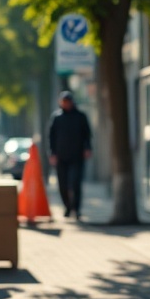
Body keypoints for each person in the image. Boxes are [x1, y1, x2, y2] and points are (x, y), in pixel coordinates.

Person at [48, 91, 92, 220]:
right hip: (61, 156)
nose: (66, 104)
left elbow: (87, 134)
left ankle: (76, 209)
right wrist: (52, 153)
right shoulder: (56, 117)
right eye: (64, 102)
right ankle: (67, 207)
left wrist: (87, 148)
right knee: (63, 184)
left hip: (77, 156)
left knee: (75, 183)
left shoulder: (80, 116)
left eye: (68, 101)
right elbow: (51, 137)